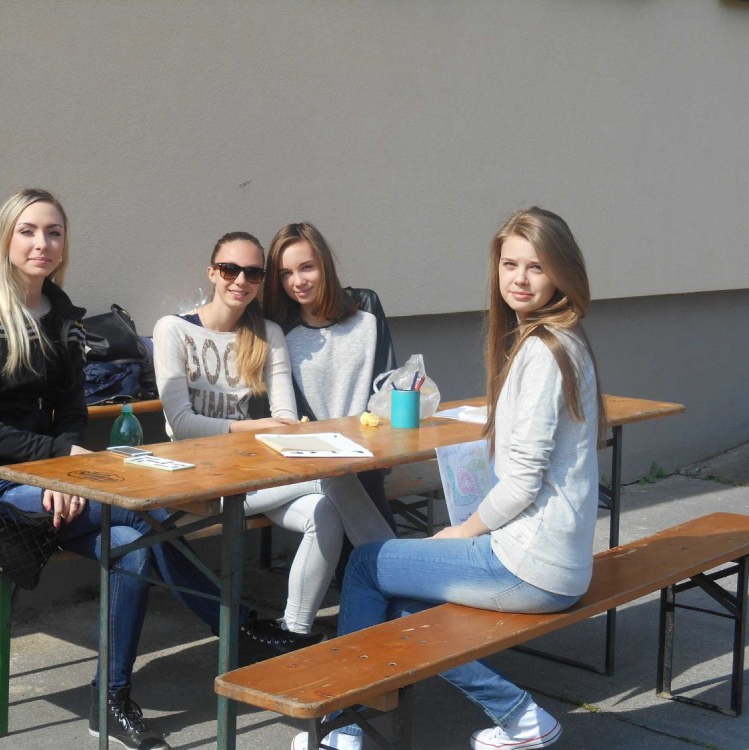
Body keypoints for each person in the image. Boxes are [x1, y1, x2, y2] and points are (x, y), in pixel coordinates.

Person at [294, 207, 605, 750]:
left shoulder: (544, 351)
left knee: (367, 565)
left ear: (562, 272)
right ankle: (516, 716)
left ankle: (343, 729)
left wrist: (463, 531)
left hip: (530, 563)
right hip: (557, 561)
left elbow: (523, 483)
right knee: (395, 597)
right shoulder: (566, 340)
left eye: (536, 266)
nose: (520, 278)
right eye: (510, 264)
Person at [0, 188, 224, 750]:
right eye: (28, 231)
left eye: (53, 232)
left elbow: (73, 412)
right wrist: (55, 468)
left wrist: (62, 470)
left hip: (50, 483)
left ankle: (109, 699)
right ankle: (233, 629)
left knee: (135, 544)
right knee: (143, 514)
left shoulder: (64, 316)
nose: (42, 243)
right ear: (5, 239)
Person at [153, 231, 394, 662]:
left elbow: (285, 419)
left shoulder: (266, 333)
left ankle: (293, 632)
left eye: (253, 273)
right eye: (230, 269)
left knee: (324, 511)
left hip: (256, 474)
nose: (240, 280)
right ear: (212, 272)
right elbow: (184, 426)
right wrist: (254, 427)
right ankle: (398, 573)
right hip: (199, 479)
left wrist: (261, 430)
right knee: (332, 479)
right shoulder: (173, 329)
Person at [262, 222, 399, 575]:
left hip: (369, 448)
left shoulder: (366, 307)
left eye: (306, 267)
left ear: (324, 264)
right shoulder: (279, 328)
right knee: (343, 489)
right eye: (285, 274)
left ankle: (378, 577)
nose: (297, 281)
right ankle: (393, 572)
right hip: (314, 455)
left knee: (359, 483)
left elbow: (387, 383)